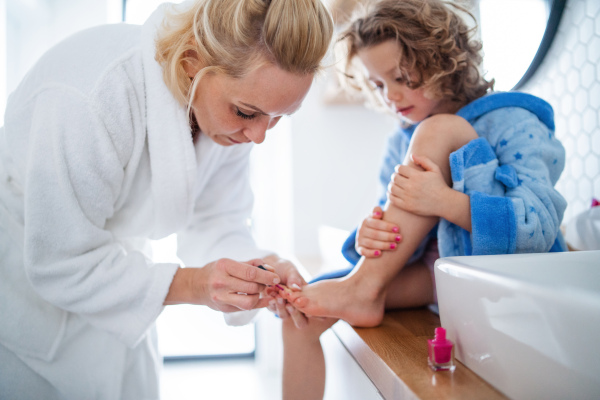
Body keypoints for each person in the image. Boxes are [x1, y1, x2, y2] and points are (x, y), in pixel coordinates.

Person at [0, 0, 333, 398]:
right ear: (192, 60)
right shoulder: (89, 93)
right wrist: (194, 284)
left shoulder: (230, 117)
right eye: (247, 113)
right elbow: (60, 259)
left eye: (278, 118)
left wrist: (255, 268)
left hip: (117, 304)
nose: (260, 135)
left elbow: (216, 219)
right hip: (24, 300)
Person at [268, 0, 567, 398]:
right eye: (378, 85)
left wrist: (445, 202)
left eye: (401, 76)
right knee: (302, 317)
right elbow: (395, 224)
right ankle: (364, 288)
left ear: (443, 59)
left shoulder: (514, 121)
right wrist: (369, 236)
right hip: (436, 280)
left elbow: (538, 229)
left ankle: (364, 288)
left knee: (440, 130)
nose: (391, 95)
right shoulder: (401, 142)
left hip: (506, 281)